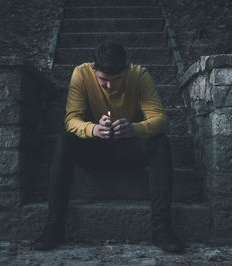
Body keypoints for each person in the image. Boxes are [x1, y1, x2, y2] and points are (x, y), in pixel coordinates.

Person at [33, 41, 184, 253]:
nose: (110, 86)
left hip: (128, 150)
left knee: (160, 143)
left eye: (117, 80)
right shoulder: (81, 74)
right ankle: (54, 227)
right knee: (65, 140)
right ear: (94, 69)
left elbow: (161, 120)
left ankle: (162, 230)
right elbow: (71, 120)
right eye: (103, 80)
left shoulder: (139, 75)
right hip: (95, 150)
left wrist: (135, 129)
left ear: (127, 69)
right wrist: (93, 130)